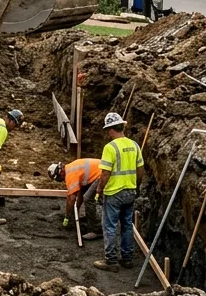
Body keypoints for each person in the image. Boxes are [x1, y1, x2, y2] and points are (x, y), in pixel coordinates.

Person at [92, 111, 144, 271]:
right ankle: (127, 259)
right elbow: (140, 169)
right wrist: (136, 185)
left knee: (109, 226)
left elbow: (105, 173)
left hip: (114, 193)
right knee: (127, 225)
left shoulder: (110, 147)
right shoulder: (134, 145)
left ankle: (111, 261)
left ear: (110, 129)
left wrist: (99, 190)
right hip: (130, 191)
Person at [48, 158, 104, 240]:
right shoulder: (71, 168)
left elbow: (71, 198)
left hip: (103, 174)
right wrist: (75, 210)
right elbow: (80, 193)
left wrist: (67, 216)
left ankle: (93, 230)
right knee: (90, 195)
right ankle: (107, 219)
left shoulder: (70, 175)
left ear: (60, 173)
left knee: (88, 198)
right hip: (100, 173)